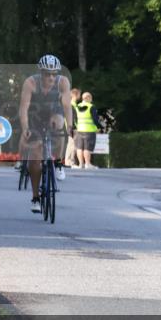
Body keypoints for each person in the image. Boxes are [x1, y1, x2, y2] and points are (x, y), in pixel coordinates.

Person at [18, 55, 74, 214]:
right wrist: (25, 127)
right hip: (35, 115)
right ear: (40, 72)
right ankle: (35, 197)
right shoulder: (30, 83)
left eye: (54, 74)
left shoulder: (62, 82)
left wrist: (69, 125)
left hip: (54, 111)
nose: (50, 77)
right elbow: (24, 108)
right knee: (35, 159)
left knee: (58, 124)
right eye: (47, 74)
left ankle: (58, 162)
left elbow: (67, 106)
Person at [73, 91, 100, 169]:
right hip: (89, 130)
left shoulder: (77, 106)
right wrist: (98, 128)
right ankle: (88, 164)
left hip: (79, 130)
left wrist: (77, 126)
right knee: (87, 148)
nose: (91, 99)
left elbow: (75, 119)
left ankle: (80, 164)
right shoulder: (91, 107)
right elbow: (95, 119)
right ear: (88, 98)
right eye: (91, 98)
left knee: (79, 147)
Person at [64, 87, 81, 168]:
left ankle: (69, 161)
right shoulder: (72, 105)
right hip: (73, 128)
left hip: (72, 127)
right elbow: (73, 118)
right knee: (72, 145)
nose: (80, 96)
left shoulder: (73, 105)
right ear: (75, 95)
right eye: (79, 94)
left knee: (72, 145)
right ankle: (70, 162)